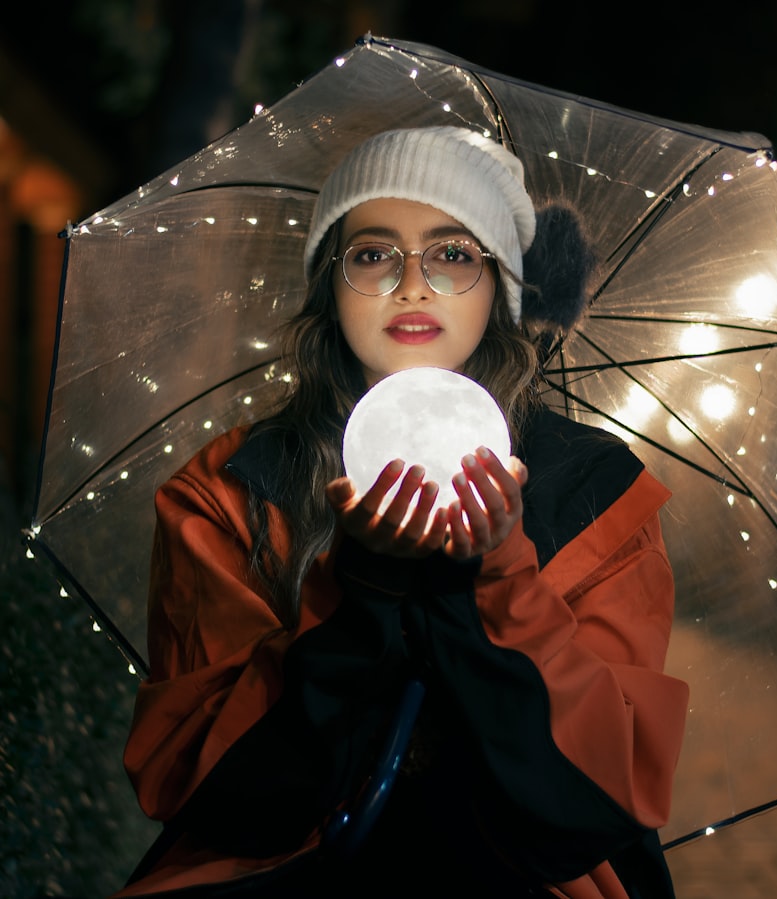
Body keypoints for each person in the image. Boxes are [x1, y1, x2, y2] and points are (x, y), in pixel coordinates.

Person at [114, 125, 689, 898]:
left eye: (454, 254)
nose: (411, 285)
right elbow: (211, 792)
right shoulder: (230, 490)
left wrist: (493, 575)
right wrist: (361, 590)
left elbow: (595, 799)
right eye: (374, 253)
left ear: (503, 288)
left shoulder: (597, 493)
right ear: (331, 284)